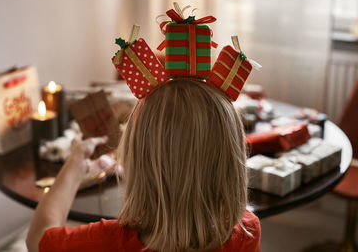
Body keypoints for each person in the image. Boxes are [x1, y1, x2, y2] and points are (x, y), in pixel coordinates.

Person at [26, 79, 261, 252]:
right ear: (233, 160)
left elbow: (38, 240)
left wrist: (74, 166)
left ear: (136, 163)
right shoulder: (247, 232)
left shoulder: (105, 242)